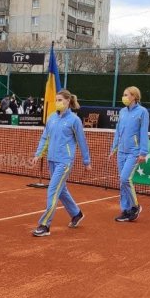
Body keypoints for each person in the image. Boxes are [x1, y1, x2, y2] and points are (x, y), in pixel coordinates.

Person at [30, 89, 91, 237]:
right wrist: (38, 154)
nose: (57, 102)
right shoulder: (51, 118)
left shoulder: (74, 120)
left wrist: (86, 161)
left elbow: (81, 141)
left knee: (52, 190)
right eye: (56, 100)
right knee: (61, 190)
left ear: (68, 101)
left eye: (60, 100)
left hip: (65, 161)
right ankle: (76, 214)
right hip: (52, 159)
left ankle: (44, 225)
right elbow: (45, 138)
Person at [109, 87, 150, 222]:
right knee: (122, 182)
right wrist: (114, 148)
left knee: (125, 179)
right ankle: (125, 210)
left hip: (134, 152)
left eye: (126, 95)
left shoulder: (142, 112)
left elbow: (144, 133)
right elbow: (118, 131)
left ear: (134, 96)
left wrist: (143, 152)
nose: (124, 97)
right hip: (121, 151)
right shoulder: (122, 111)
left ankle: (135, 206)